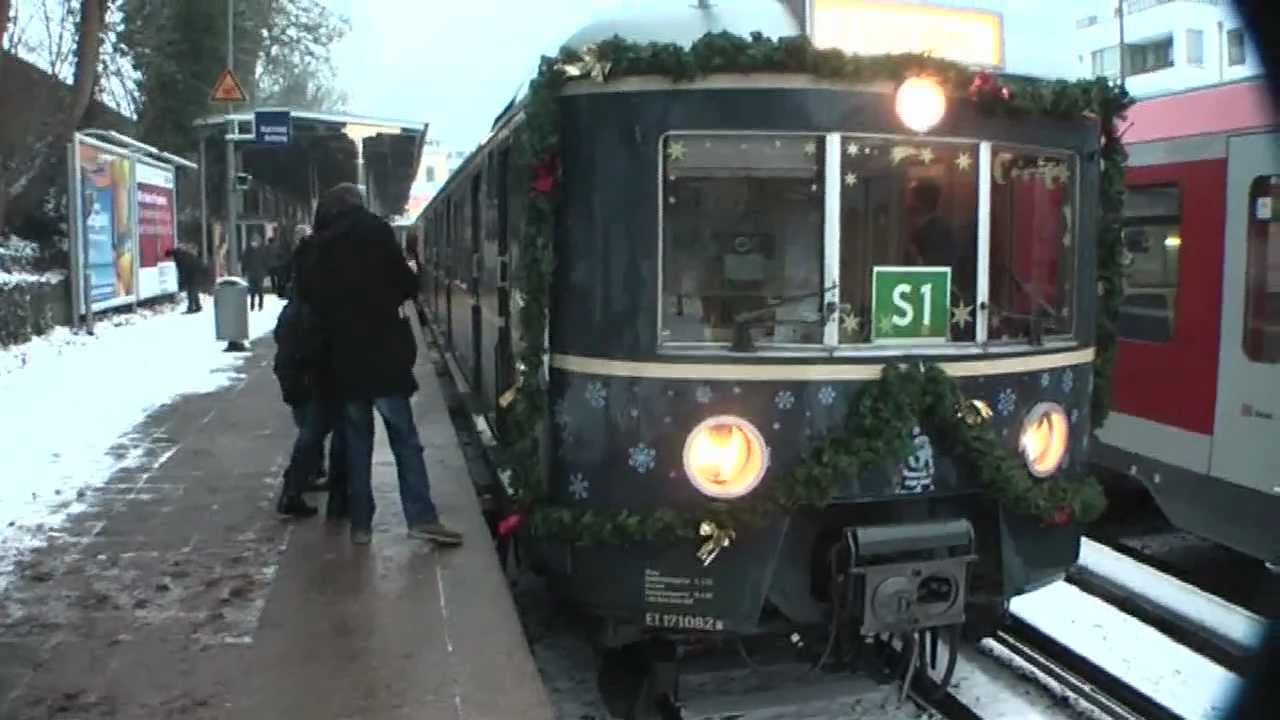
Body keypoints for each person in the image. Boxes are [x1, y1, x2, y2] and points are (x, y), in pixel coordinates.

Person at [297, 183, 462, 547]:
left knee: (358, 444)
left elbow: (308, 297)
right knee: (404, 439)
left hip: (345, 361)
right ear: (359, 204)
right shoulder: (376, 233)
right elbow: (407, 285)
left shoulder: (321, 245)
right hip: (384, 357)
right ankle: (421, 518)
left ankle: (361, 525)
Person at [271, 249, 349, 520]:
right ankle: (295, 492)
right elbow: (311, 342)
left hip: (297, 374)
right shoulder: (313, 303)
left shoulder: (300, 298)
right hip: (307, 377)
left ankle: (302, 484)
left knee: (313, 432)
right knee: (314, 433)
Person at [167, 244, 203, 313]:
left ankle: (190, 308)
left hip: (192, 275)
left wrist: (181, 281)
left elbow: (182, 269)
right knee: (194, 291)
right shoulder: (186, 254)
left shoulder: (179, 256)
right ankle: (198, 306)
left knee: (191, 292)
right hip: (195, 273)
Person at [242, 237, 268, 310]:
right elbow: (245, 261)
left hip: (259, 273)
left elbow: (265, 261)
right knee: (252, 289)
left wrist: (265, 271)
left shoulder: (262, 250)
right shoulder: (248, 251)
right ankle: (252, 305)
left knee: (259, 289)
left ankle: (260, 305)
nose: (254, 243)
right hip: (252, 272)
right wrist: (244, 270)